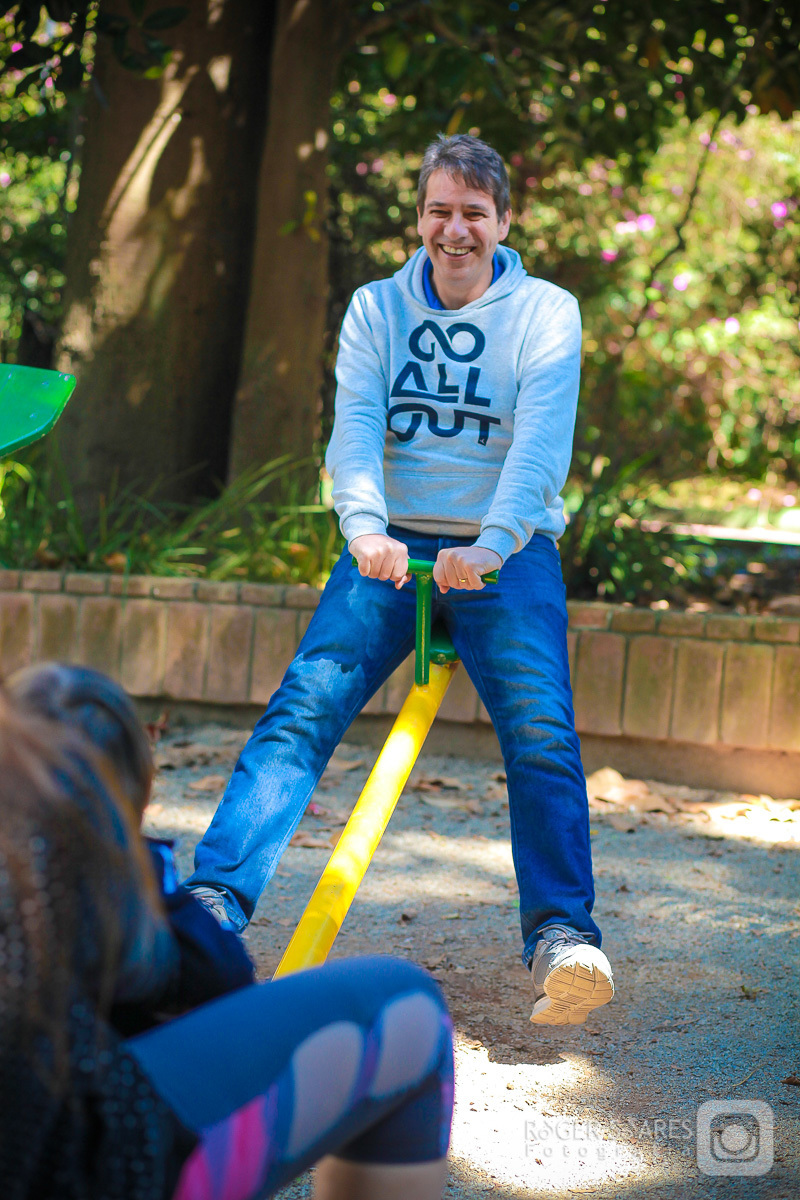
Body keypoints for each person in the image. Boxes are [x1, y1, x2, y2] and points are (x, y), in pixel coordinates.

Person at [186, 133, 614, 1027]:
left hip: (507, 547)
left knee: (540, 734)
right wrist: (365, 528)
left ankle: (565, 938)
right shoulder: (377, 308)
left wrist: (493, 545)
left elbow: (539, 446)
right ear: (419, 217)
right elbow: (355, 427)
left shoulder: (545, 312)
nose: (455, 230)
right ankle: (216, 903)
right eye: (439, 211)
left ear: (503, 221)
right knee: (303, 709)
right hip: (390, 544)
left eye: (473, 213)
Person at [0, 678, 453, 1198]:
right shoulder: (76, 872)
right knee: (408, 1007)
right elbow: (225, 978)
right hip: (60, 1161)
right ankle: (218, 893)